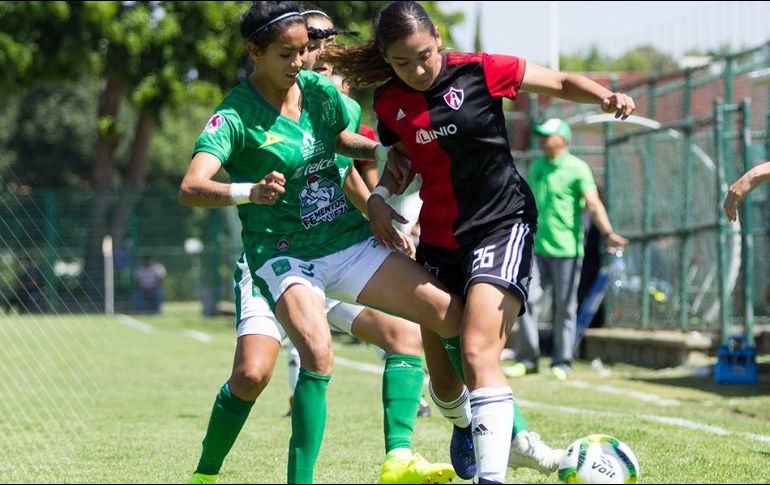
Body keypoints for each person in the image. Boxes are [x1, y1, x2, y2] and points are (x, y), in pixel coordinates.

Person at [326, 3, 635, 482]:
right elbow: (403, 162)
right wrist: (382, 198)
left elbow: (557, 82)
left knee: (475, 351)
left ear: (438, 41)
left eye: (424, 56)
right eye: (401, 63)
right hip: (440, 238)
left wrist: (603, 96)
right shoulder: (389, 102)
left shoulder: (482, 70)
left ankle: (493, 474)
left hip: (501, 224)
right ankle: (468, 425)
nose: (417, 70)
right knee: (445, 381)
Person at [178, 3, 467, 484]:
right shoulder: (233, 115)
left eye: (308, 49)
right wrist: (250, 191)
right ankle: (207, 475)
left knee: (437, 319)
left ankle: (458, 437)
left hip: (340, 244)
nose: (302, 60)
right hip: (281, 255)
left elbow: (341, 145)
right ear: (256, 52)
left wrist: (382, 154)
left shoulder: (317, 90)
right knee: (263, 372)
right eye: (290, 52)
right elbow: (191, 187)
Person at [505, 119, 628, 381]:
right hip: (537, 249)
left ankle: (563, 361)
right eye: (541, 135)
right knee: (526, 299)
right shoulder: (538, 166)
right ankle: (527, 359)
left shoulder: (577, 168)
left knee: (565, 307)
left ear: (563, 139)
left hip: (568, 251)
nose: (543, 140)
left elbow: (593, 203)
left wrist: (608, 232)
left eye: (548, 135)